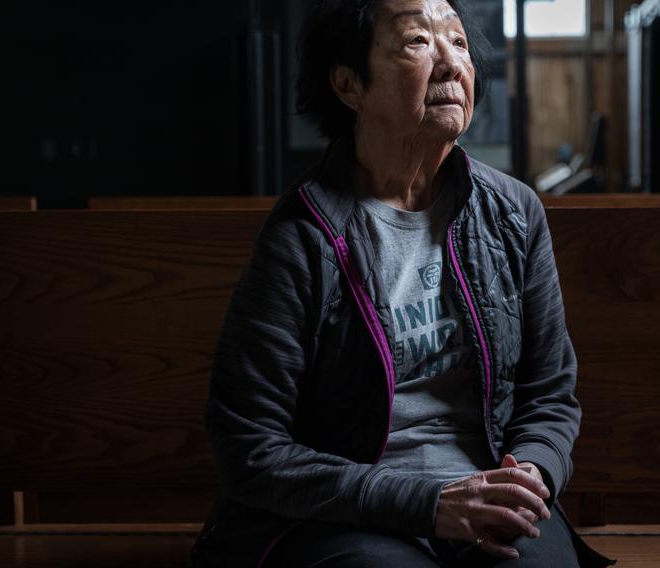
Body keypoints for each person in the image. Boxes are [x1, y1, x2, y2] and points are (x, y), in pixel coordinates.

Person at [191, 0, 614, 566]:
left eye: (459, 43)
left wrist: (531, 473)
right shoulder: (303, 235)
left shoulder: (514, 213)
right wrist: (427, 501)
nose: (450, 64)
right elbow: (249, 446)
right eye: (417, 41)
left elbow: (550, 393)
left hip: (492, 496)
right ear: (348, 85)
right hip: (352, 512)